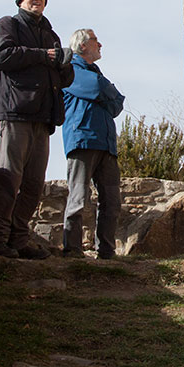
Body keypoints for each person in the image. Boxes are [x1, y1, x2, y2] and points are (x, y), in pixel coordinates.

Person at [0, 0, 74, 259]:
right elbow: (1, 56)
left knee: (34, 185)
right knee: (7, 179)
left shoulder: (50, 33)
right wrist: (44, 56)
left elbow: (65, 76)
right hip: (13, 114)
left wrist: (62, 62)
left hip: (42, 118)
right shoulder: (8, 24)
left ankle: (19, 239)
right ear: (20, 0)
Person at [61, 28, 125, 259]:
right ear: (83, 45)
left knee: (112, 201)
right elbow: (99, 88)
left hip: (106, 144)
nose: (100, 45)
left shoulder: (95, 73)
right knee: (78, 198)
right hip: (82, 140)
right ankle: (73, 250)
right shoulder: (70, 71)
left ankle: (106, 251)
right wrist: (107, 92)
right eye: (95, 40)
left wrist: (107, 94)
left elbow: (118, 104)